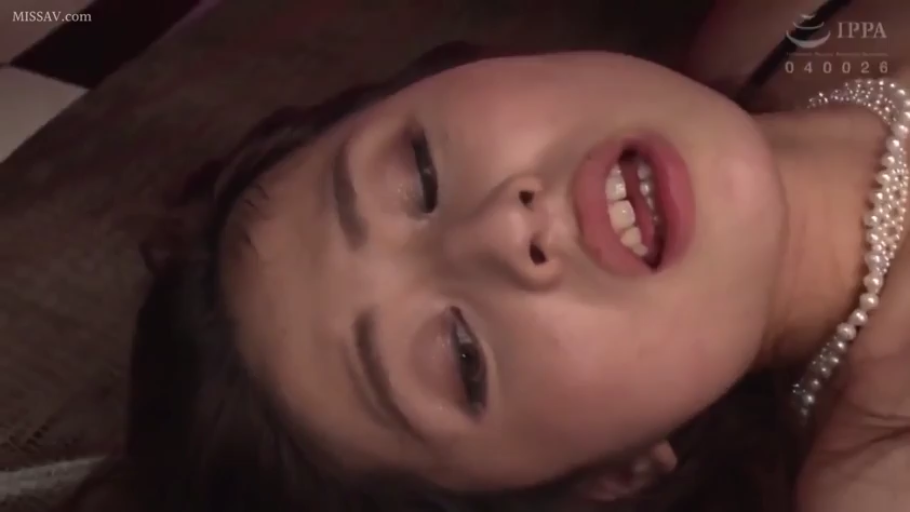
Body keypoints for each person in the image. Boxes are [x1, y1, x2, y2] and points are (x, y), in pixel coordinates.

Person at [64, 1, 910, 511]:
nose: (503, 232)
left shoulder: (782, 23)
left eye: (421, 174)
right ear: (614, 480)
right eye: (462, 359)